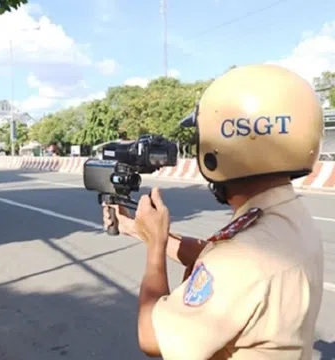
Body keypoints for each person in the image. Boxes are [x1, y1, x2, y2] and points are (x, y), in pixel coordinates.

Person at [103, 64, 324, 359]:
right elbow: (212, 257)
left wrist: (155, 249)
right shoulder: (287, 217)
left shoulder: (244, 257)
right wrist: (142, 231)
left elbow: (151, 336)